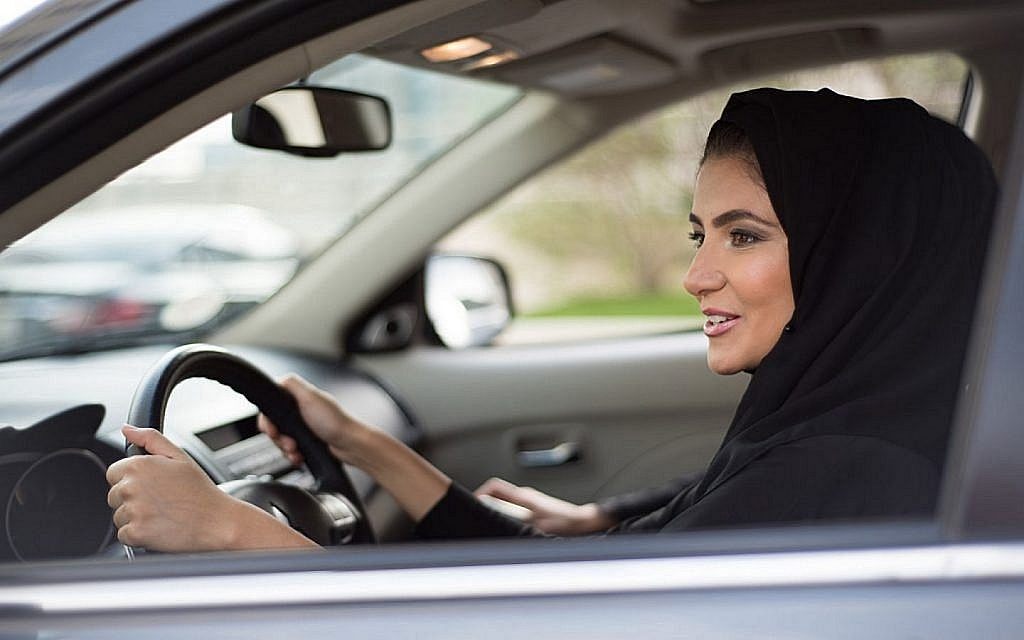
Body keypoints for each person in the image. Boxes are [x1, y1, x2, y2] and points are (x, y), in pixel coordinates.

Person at [106, 88, 997, 550]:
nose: (695, 275)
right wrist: (360, 441)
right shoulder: (828, 430)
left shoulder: (849, 476)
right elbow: (576, 589)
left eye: (744, 234)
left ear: (860, 258)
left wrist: (231, 527)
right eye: (700, 234)